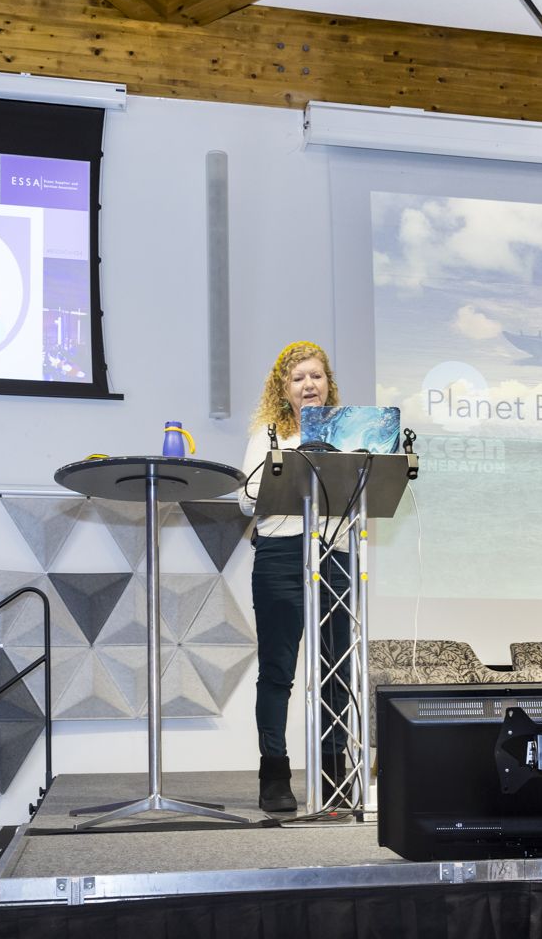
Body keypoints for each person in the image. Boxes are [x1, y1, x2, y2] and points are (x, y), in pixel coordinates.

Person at [237, 341, 354, 813]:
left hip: (335, 555)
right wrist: (284, 475)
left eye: (316, 376)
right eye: (298, 378)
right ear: (283, 389)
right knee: (278, 670)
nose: (309, 385)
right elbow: (245, 499)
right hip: (281, 555)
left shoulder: (349, 434)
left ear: (328, 383)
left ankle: (333, 773)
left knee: (336, 671)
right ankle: (274, 775)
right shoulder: (269, 433)